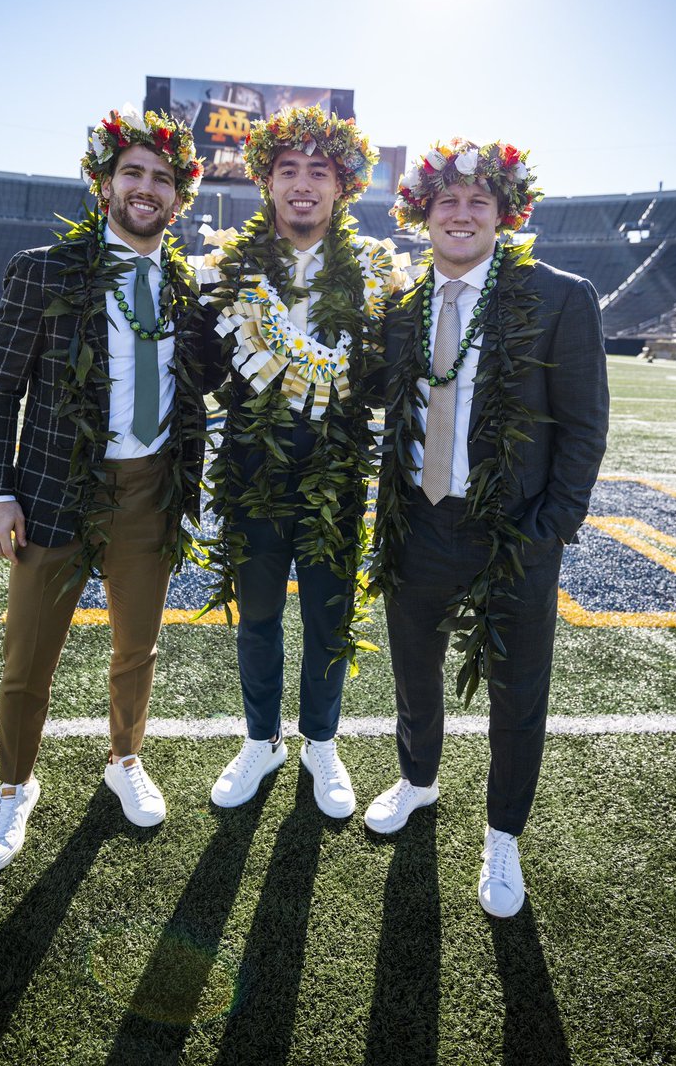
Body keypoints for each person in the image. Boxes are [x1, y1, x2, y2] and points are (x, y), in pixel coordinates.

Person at [366, 139, 609, 917]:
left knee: (518, 688)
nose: (461, 214)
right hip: (420, 521)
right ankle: (418, 779)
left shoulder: (559, 296)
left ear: (505, 212)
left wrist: (552, 526)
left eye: (478, 201)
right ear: (422, 215)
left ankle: (503, 834)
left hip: (516, 530)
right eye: (447, 202)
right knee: (414, 669)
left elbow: (584, 425)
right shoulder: (403, 307)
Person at [0, 105, 210, 871]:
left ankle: (124, 760)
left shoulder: (186, 284)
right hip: (54, 489)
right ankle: (14, 788)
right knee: (28, 654)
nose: (146, 189)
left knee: (136, 646)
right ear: (104, 182)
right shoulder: (43, 268)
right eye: (132, 173)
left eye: (162, 179)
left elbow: (217, 385)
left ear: (180, 197)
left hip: (150, 490)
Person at [202, 106, 405, 818]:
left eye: (319, 171)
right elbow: (195, 365)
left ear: (343, 186)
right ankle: (262, 739)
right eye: (288, 169)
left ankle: (321, 740)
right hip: (252, 478)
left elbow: (389, 383)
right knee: (257, 618)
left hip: (335, 482)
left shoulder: (379, 275)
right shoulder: (227, 268)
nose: (302, 185)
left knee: (327, 619)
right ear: (266, 181)